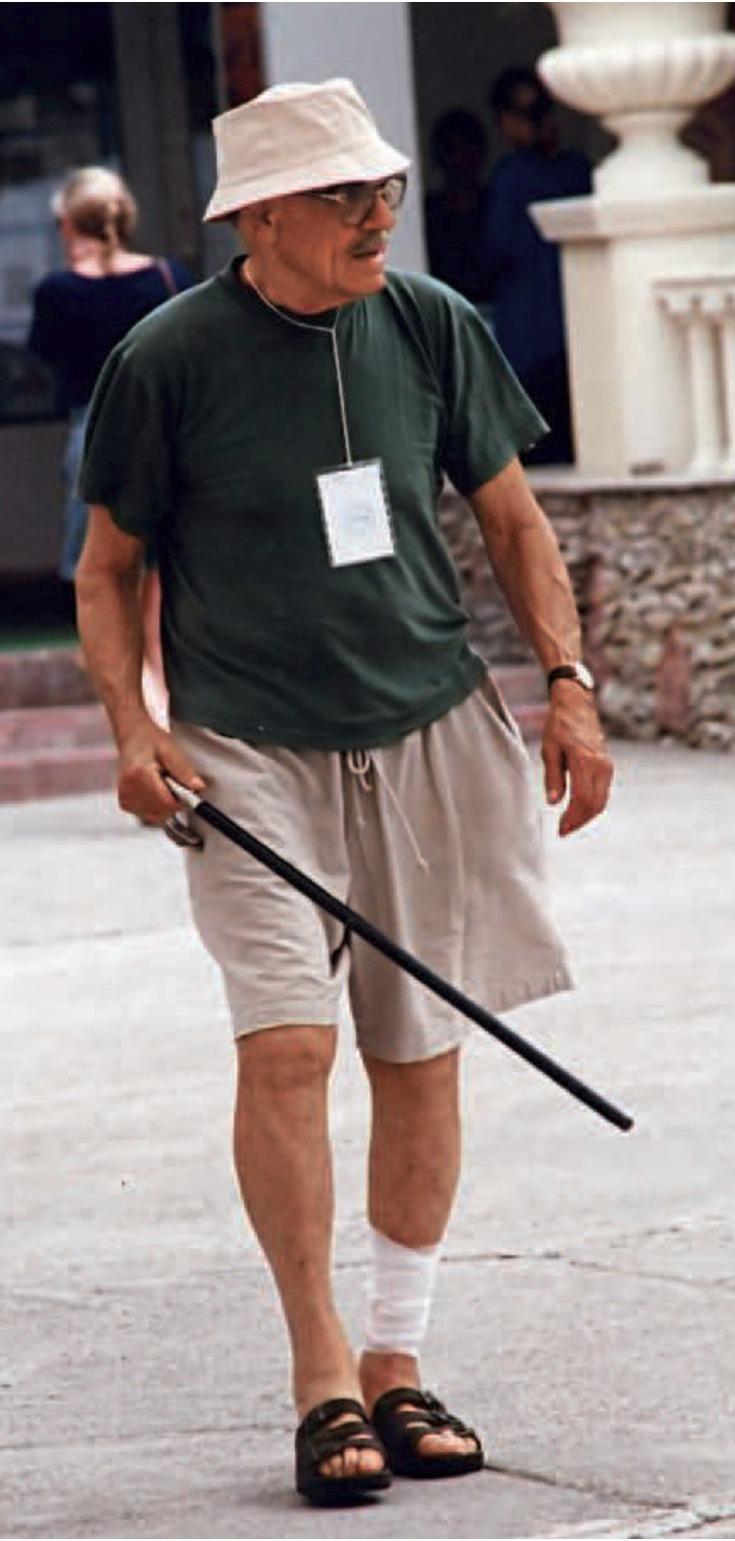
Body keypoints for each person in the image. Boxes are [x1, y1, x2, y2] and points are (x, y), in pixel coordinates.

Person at [74, 79, 613, 1507]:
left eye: (383, 189)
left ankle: (397, 1355)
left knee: (418, 1052)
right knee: (287, 1048)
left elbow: (513, 521)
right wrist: (133, 728)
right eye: (341, 195)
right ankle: (321, 1372)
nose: (377, 215)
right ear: (257, 218)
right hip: (247, 753)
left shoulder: (430, 323)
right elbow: (107, 570)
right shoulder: (166, 358)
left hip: (427, 729)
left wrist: (567, 682)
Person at [28, 166, 193, 720]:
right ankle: (159, 687)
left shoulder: (58, 291)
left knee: (101, 570)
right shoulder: (168, 277)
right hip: (165, 436)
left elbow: (46, 353)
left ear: (69, 223)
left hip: (93, 434)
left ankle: (134, 699)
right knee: (159, 566)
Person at [482, 67, 592, 464]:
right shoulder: (576, 169)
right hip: (567, 332)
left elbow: (495, 251)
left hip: (535, 337)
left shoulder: (515, 177)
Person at [424, 109, 491, 304]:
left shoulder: (495, 208)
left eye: (468, 151)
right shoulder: (430, 215)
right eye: (453, 151)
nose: (460, 159)